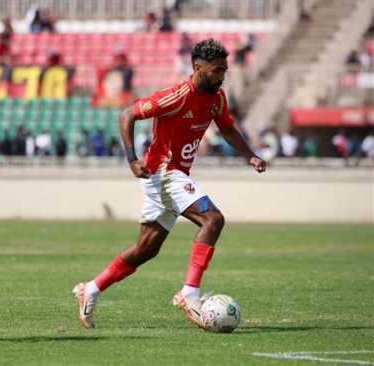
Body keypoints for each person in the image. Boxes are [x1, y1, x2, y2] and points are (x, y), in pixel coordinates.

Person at [72, 39, 266, 330]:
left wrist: (249, 155)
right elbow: (127, 114)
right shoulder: (176, 96)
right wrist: (131, 159)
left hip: (173, 177)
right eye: (217, 70)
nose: (222, 75)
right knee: (213, 220)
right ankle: (190, 294)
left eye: (224, 70)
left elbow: (227, 128)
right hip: (163, 172)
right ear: (198, 68)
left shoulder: (217, 98)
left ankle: (92, 288)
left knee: (146, 250)